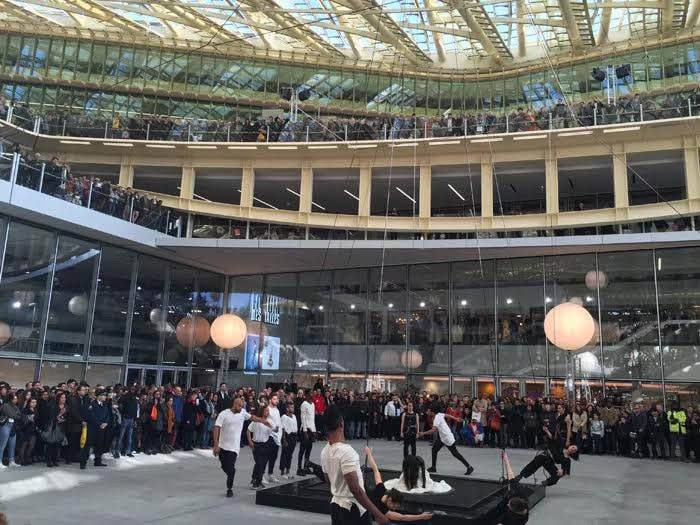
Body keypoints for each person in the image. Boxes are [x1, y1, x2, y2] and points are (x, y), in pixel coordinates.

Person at [320, 404, 389, 525]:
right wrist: (378, 514)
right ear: (341, 423)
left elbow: (329, 481)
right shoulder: (347, 452)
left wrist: (339, 491)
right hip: (353, 510)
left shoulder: (325, 451)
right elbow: (355, 490)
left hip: (336, 505)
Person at [212, 396, 270, 498]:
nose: (241, 408)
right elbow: (216, 428)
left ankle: (229, 488)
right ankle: (229, 472)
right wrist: (216, 445)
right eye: (240, 406)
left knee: (231, 469)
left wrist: (262, 420)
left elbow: (252, 417)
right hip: (222, 446)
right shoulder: (224, 414)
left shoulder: (242, 412)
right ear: (235, 404)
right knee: (225, 466)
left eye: (242, 406)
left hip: (234, 448)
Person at [364, 447, 433, 523]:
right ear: (390, 499)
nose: (394, 509)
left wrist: (369, 453)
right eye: (394, 506)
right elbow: (402, 517)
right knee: (385, 521)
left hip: (364, 497)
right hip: (361, 509)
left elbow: (375, 470)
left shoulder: (381, 489)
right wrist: (421, 516)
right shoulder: (382, 508)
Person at [510, 426, 579, 487]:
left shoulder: (567, 460)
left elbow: (566, 471)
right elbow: (553, 439)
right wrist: (547, 431)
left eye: (574, 450)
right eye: (573, 447)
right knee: (534, 463)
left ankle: (546, 483)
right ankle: (520, 476)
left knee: (557, 474)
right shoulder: (561, 445)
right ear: (570, 446)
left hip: (550, 462)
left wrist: (562, 471)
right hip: (545, 455)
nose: (573, 449)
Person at [418, 403, 474, 476]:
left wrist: (423, 433)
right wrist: (456, 418)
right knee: (434, 449)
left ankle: (469, 467)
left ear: (433, 411)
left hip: (447, 437)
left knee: (455, 453)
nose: (427, 411)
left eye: (429, 410)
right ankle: (433, 467)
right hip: (442, 437)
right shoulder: (439, 414)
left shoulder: (437, 418)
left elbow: (433, 430)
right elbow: (447, 415)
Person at [247, 405, 274, 490]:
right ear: (262, 411)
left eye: (268, 411)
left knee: (263, 463)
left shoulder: (269, 421)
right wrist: (250, 441)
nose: (267, 412)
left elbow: (274, 430)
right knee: (259, 463)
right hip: (256, 445)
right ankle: (255, 481)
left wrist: (271, 427)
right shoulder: (256, 421)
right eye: (266, 411)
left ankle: (258, 480)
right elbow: (248, 431)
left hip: (265, 444)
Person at [86, 389, 110, 467]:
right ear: (98, 396)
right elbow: (92, 416)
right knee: (87, 444)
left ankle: (98, 461)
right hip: (93, 428)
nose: (105, 397)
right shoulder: (92, 404)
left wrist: (106, 422)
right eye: (103, 395)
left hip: (101, 428)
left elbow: (107, 415)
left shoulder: (104, 404)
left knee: (99, 445)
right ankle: (83, 461)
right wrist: (100, 424)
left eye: (105, 395)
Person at [0, 393, 21, 469]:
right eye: (14, 398)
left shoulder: (15, 406)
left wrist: (15, 415)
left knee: (12, 445)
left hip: (13, 426)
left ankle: (11, 461)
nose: (16, 400)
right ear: (10, 399)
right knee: (2, 445)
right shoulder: (5, 406)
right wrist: (15, 414)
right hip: (5, 426)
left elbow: (19, 416)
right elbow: (12, 415)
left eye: (16, 398)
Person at [298, 390, 316, 476]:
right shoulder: (304, 404)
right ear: (307, 395)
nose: (313, 395)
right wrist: (305, 431)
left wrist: (314, 430)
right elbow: (303, 418)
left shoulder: (313, 404)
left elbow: (313, 419)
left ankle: (306, 466)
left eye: (313, 393)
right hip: (305, 430)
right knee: (302, 450)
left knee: (309, 450)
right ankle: (299, 468)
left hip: (311, 430)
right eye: (311, 393)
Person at [266, 394, 282, 484]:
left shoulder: (277, 410)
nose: (277, 401)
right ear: (270, 400)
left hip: (277, 436)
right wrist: (272, 428)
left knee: (274, 457)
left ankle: (270, 474)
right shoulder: (267, 409)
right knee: (266, 457)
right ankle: (261, 475)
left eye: (277, 399)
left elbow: (279, 423)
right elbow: (265, 421)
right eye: (275, 399)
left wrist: (280, 435)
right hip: (269, 436)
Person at [280, 401, 298, 480]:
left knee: (290, 455)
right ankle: (282, 472)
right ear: (287, 408)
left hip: (294, 436)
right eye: (291, 407)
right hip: (287, 436)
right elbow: (282, 428)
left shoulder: (294, 416)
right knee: (284, 454)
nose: (293, 408)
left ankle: (288, 471)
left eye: (293, 407)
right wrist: (284, 440)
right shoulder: (284, 417)